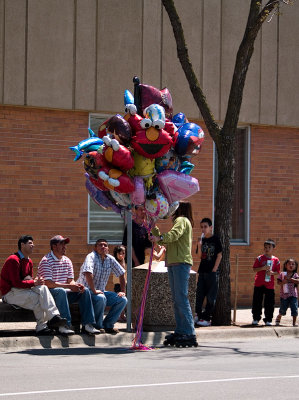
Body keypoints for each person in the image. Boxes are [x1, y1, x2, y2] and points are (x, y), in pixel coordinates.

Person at [150, 201, 198, 347]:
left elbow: (174, 235)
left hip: (180, 263)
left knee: (181, 298)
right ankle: (181, 330)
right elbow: (168, 240)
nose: (171, 210)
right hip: (173, 263)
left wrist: (161, 238)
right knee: (177, 299)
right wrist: (155, 229)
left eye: (174, 207)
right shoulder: (179, 221)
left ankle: (189, 332)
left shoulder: (182, 220)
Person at [0, 235, 67, 335]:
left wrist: (36, 281)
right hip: (9, 293)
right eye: (30, 243)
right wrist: (34, 282)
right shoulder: (13, 260)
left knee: (43, 288)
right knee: (38, 298)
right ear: (22, 245)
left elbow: (28, 280)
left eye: (33, 243)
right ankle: (42, 326)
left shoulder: (29, 261)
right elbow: (16, 283)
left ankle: (54, 317)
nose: (33, 245)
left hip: (21, 290)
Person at [38, 235, 100, 336]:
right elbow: (48, 283)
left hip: (63, 293)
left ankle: (88, 325)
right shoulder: (46, 261)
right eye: (61, 244)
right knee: (61, 291)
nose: (65, 247)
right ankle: (65, 325)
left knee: (86, 291)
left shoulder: (67, 260)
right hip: (49, 295)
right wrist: (69, 286)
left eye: (65, 244)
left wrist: (77, 286)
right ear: (54, 246)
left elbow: (70, 281)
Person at [77, 239, 127, 334]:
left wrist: (122, 291)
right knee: (100, 298)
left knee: (122, 299)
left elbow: (121, 273)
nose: (103, 247)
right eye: (100, 245)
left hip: (100, 291)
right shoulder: (91, 257)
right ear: (95, 248)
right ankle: (97, 326)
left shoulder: (110, 259)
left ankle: (108, 325)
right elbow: (88, 273)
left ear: (108, 248)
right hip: (85, 292)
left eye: (105, 245)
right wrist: (94, 290)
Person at [194, 218, 222, 327]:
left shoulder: (216, 239)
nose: (203, 229)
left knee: (211, 297)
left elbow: (219, 255)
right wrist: (199, 245)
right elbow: (199, 256)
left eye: (205, 227)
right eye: (201, 227)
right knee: (199, 294)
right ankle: (198, 315)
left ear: (211, 227)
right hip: (202, 271)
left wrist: (214, 269)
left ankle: (206, 318)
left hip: (212, 272)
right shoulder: (202, 239)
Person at [251, 239, 280, 326]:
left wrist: (272, 273)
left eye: (269, 247)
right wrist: (263, 268)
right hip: (259, 283)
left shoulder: (276, 260)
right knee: (257, 301)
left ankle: (268, 319)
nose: (267, 249)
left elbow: (278, 272)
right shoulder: (259, 258)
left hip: (270, 284)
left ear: (273, 248)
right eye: (265, 247)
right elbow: (254, 269)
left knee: (270, 303)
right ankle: (256, 318)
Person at [275, 258, 299, 327]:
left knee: (294, 308)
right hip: (284, 295)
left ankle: (294, 323)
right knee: (283, 309)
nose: (291, 265)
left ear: (295, 266)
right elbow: (278, 282)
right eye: (289, 264)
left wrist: (292, 280)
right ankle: (279, 316)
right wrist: (283, 282)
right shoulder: (282, 274)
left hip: (293, 295)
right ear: (285, 265)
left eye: (293, 264)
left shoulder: (295, 274)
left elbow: (298, 281)